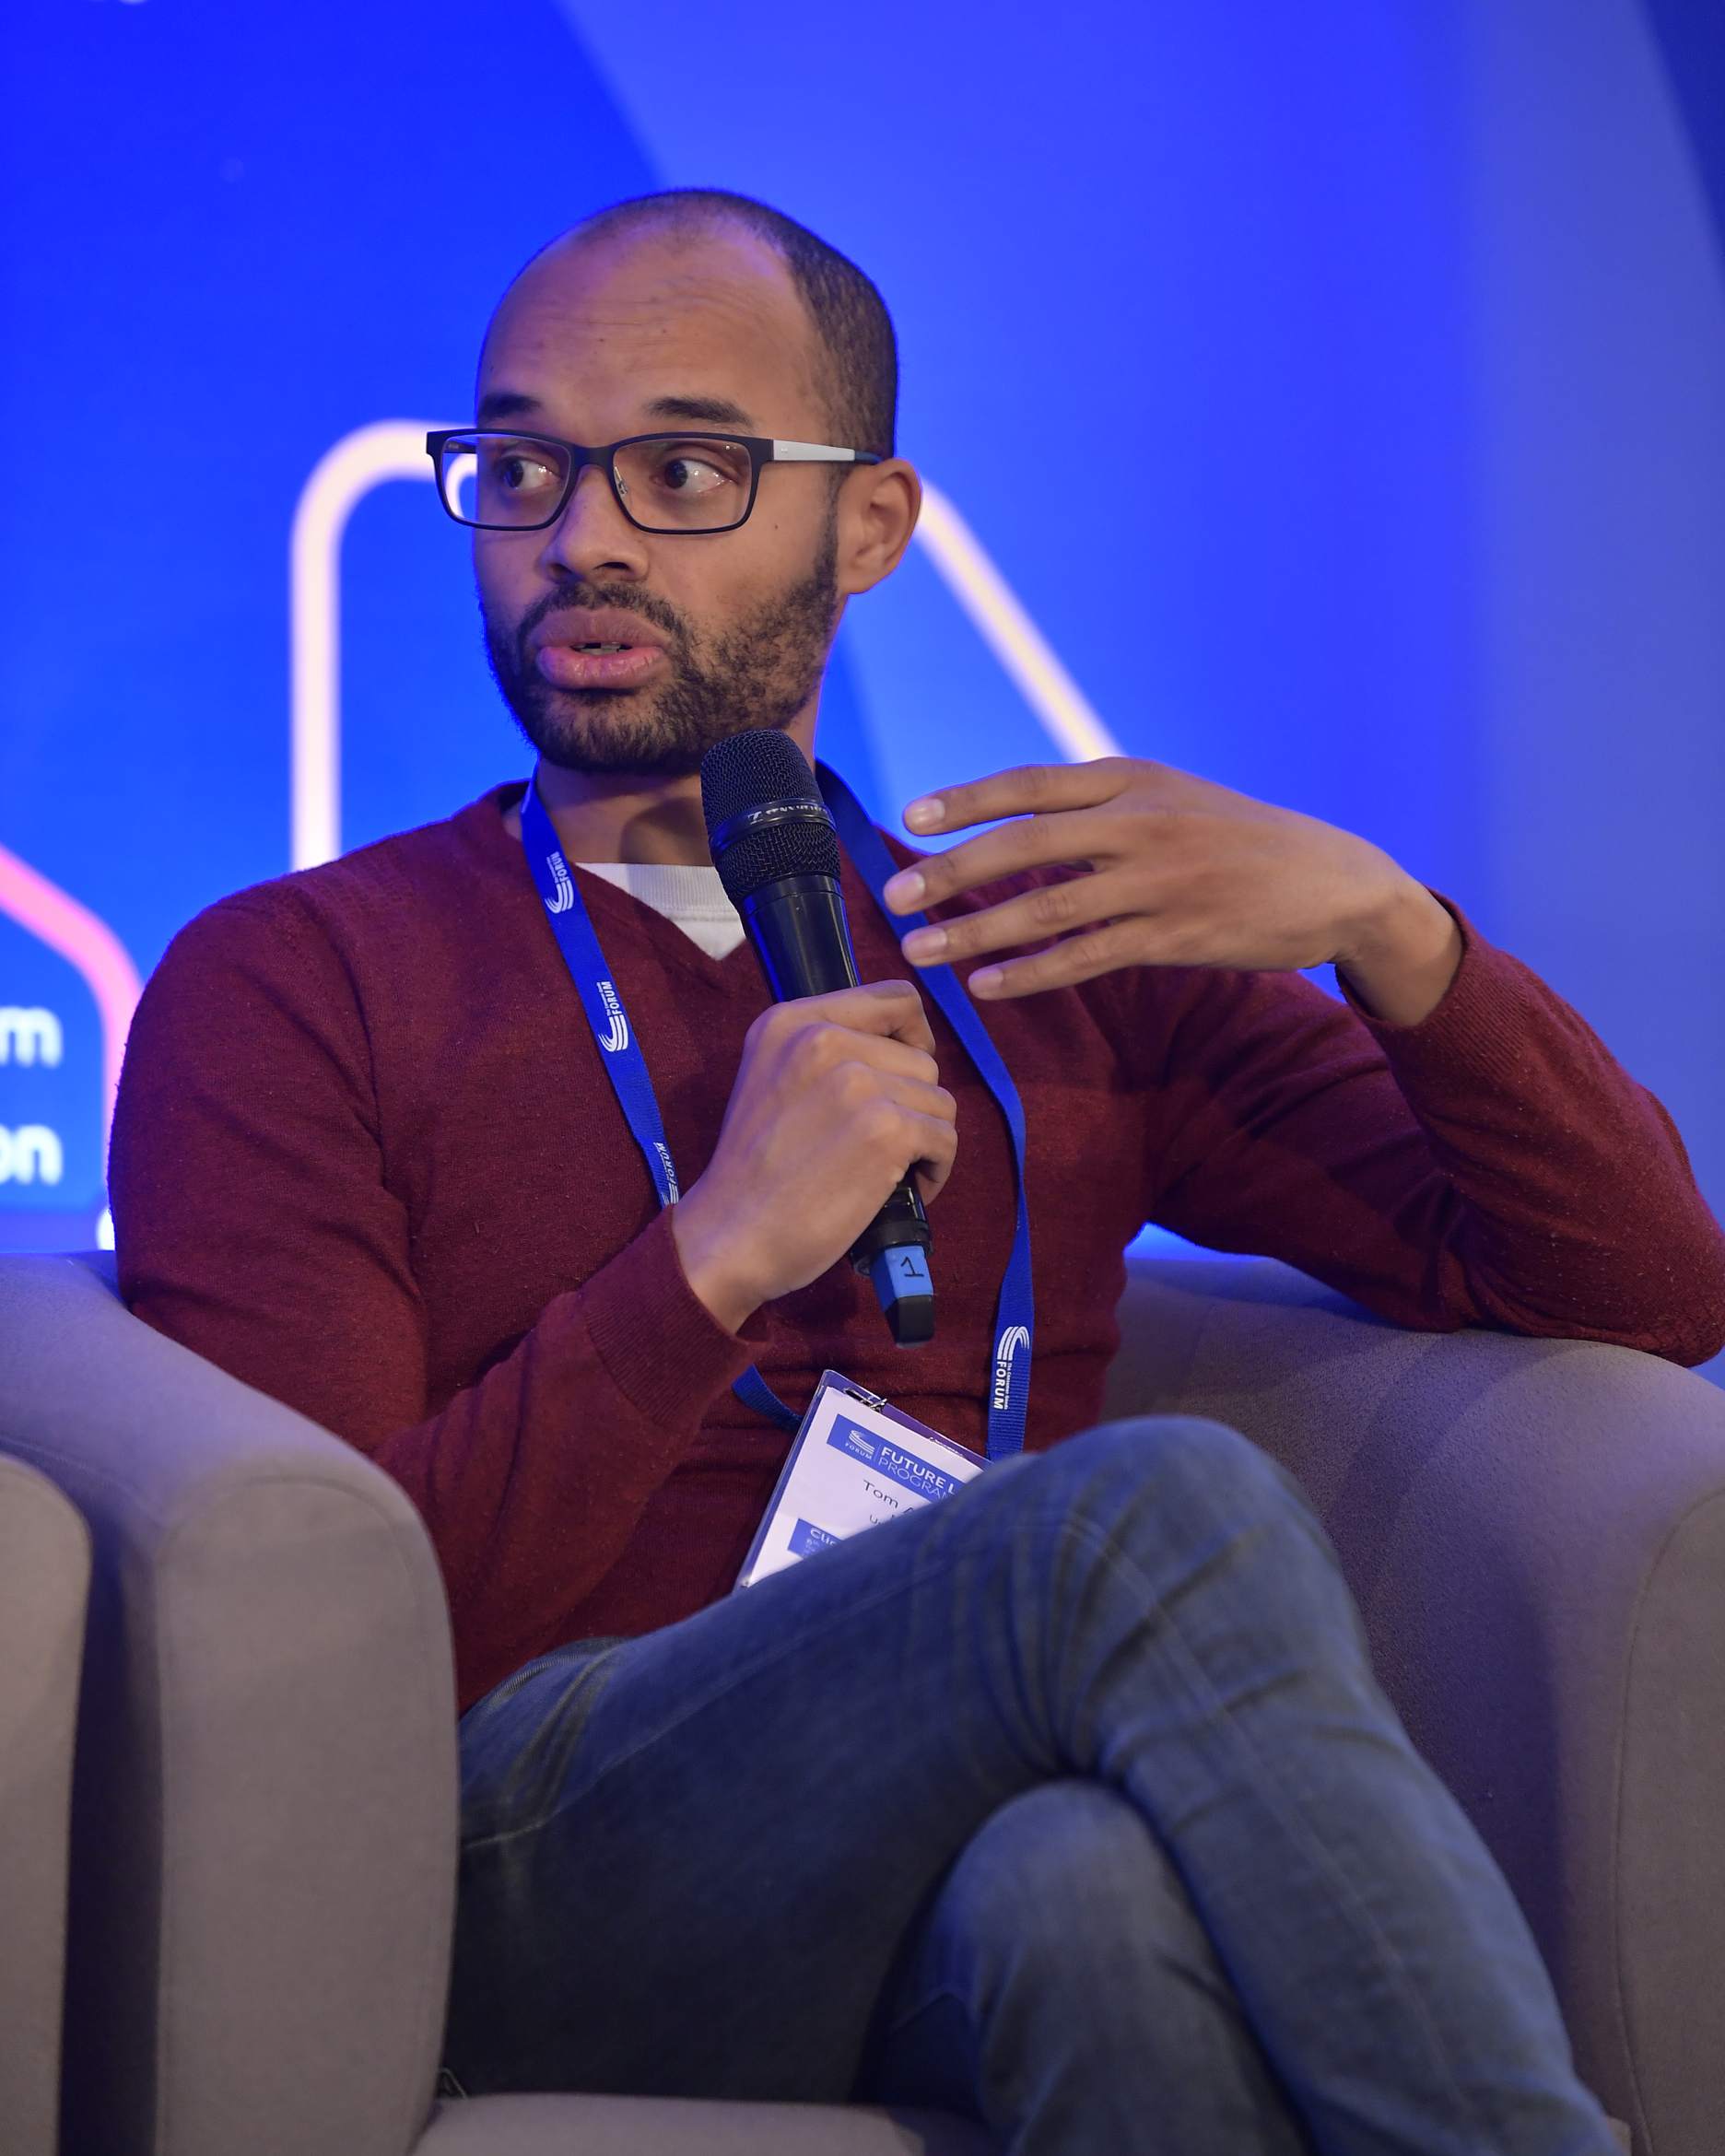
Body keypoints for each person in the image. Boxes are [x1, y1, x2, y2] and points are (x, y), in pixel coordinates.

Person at [110, 187, 1725, 2154]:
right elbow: (311, 1642)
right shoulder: (294, 982)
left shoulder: (1042, 947)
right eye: (522, 468)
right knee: (1151, 1513)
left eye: (681, 470)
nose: (582, 538)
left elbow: (1646, 1293)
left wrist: (1399, 933)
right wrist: (708, 1264)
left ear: (868, 525)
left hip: (944, 1829)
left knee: (1087, 1898)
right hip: (516, 1838)